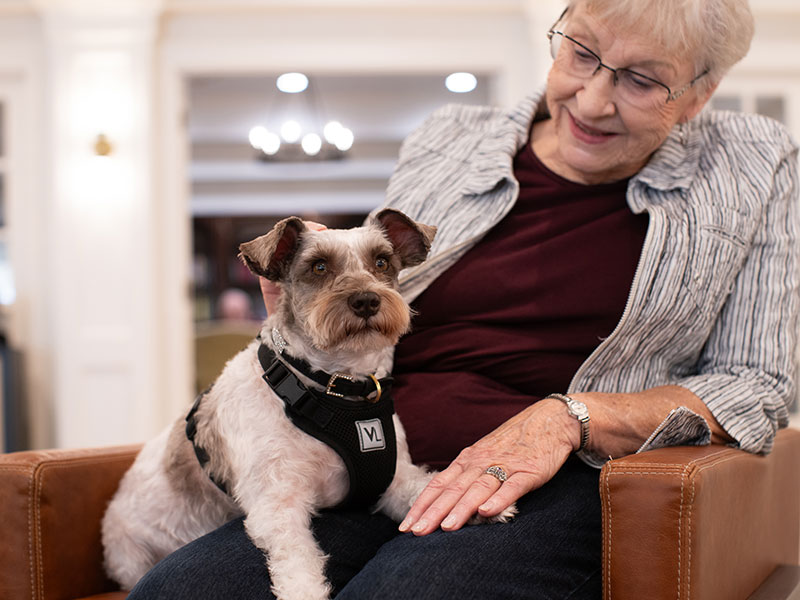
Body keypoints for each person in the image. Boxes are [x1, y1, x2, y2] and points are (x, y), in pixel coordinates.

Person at [129, 0, 798, 597]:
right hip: (366, 457)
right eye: (583, 54)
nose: (592, 100)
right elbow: (375, 285)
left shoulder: (755, 162)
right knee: (183, 589)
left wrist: (567, 418)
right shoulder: (450, 135)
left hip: (548, 477)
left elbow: (758, 385)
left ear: (700, 94)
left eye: (641, 79)